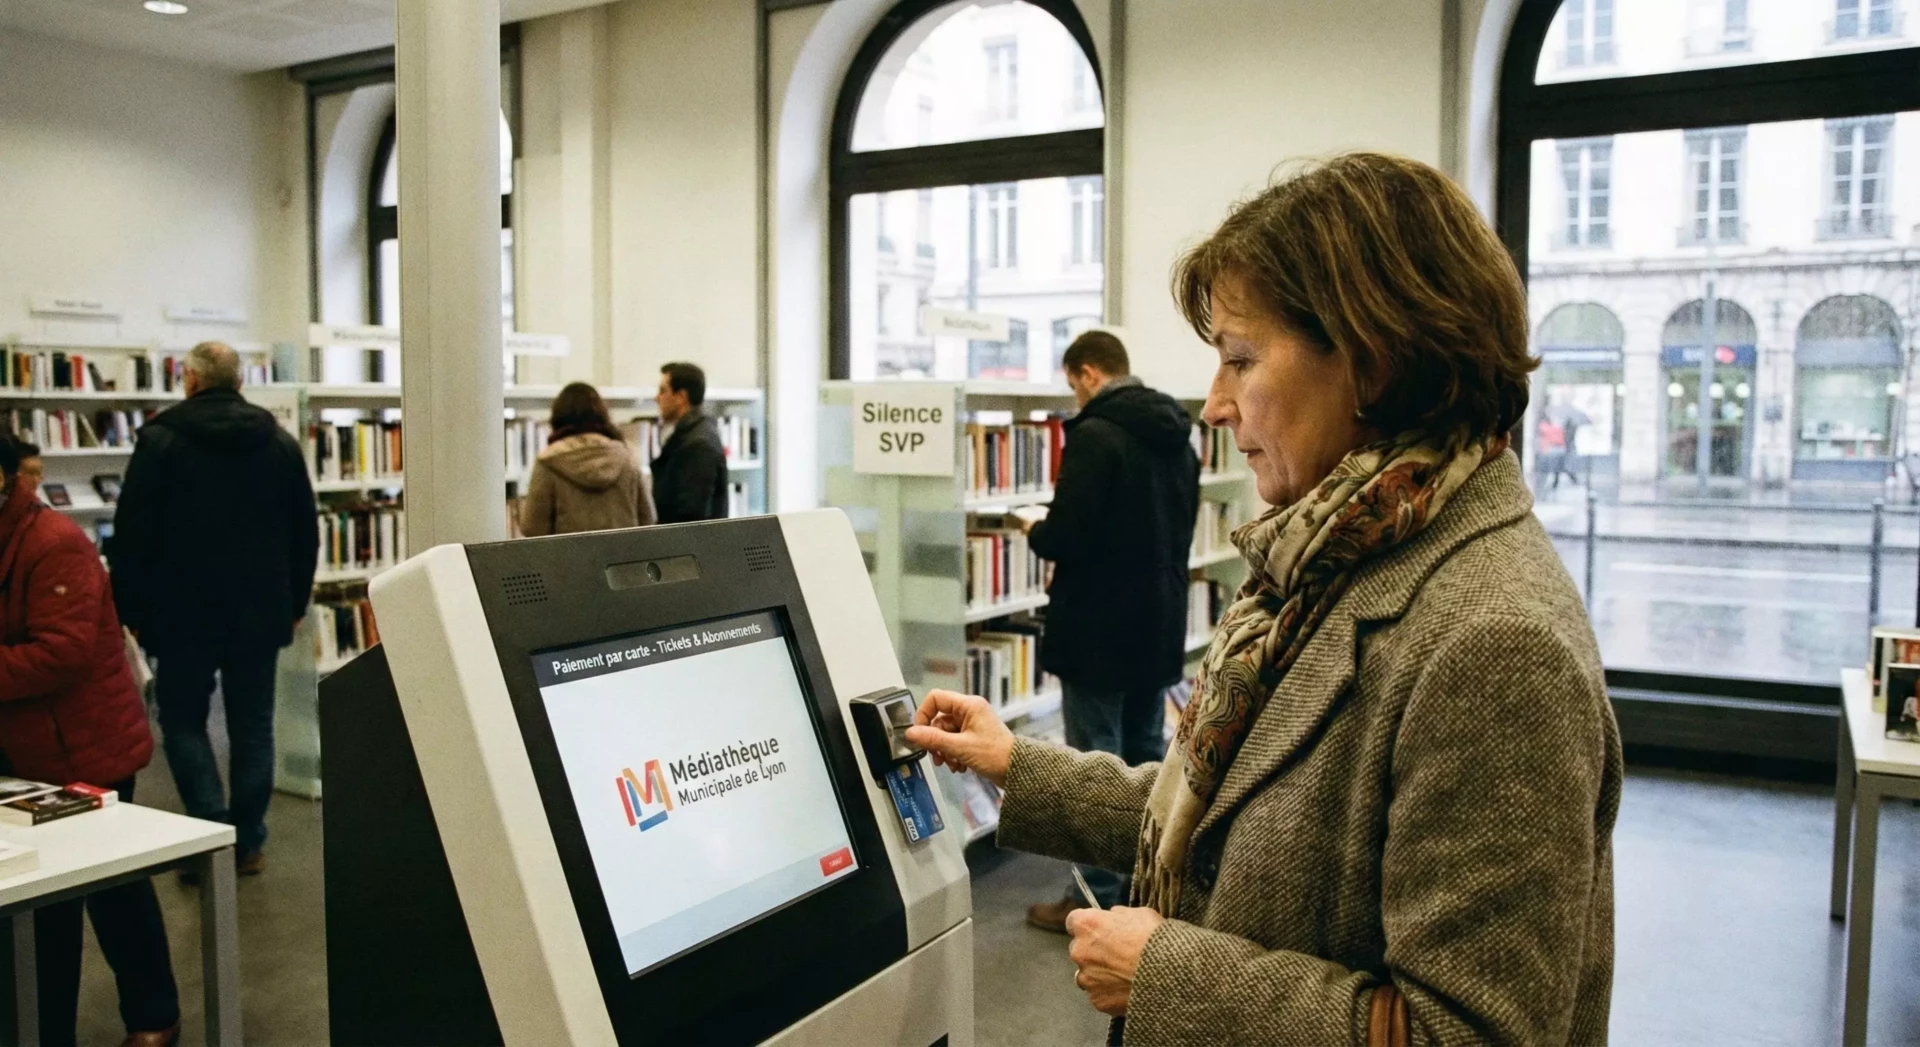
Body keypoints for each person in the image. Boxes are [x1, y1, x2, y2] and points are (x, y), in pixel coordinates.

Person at [905, 153, 1620, 1045]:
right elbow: (1226, 826)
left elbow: (1468, 1033)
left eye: (1241, 358)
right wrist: (1016, 762)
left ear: (1375, 362)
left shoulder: (1495, 643)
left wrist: (1168, 971)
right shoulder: (1336, 560)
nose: (1213, 404)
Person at [108, 342, 318, 876]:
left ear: (191, 380)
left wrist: (129, 607)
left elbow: (131, 534)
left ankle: (208, 836)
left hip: (179, 613)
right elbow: (305, 532)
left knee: (181, 720)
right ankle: (246, 841)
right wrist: (293, 601)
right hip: (259, 610)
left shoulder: (159, 442)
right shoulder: (278, 443)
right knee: (253, 725)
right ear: (240, 382)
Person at [0, 434, 181, 1047]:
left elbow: (64, 651)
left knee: (105, 892)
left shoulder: (54, 543)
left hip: (80, 746)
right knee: (35, 904)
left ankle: (152, 1015)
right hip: (23, 745)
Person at [1019, 330, 1198, 928]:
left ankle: (1093, 899)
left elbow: (1070, 534)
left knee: (1093, 762)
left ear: (1089, 373)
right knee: (1147, 757)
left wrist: (1033, 530)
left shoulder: (1095, 436)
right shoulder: (1180, 435)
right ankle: (1146, 892)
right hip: (1159, 620)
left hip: (1098, 624)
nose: (1074, 399)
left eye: (1073, 385)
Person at [520, 382, 654, 537]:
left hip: (568, 559)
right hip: (622, 557)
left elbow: (532, 527)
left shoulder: (548, 461)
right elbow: (648, 518)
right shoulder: (627, 456)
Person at [651, 362, 729, 524]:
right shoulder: (689, 436)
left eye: (663, 390)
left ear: (681, 397)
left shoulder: (699, 443)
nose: (656, 398)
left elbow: (693, 515)